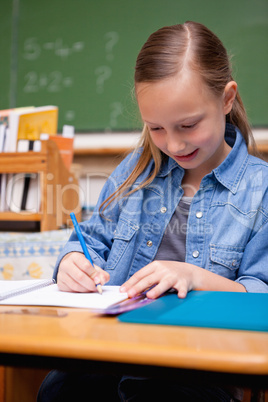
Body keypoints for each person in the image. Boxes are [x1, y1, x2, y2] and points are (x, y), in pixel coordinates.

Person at [38, 21, 268, 402]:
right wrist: (73, 259)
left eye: (188, 125)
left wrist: (194, 277)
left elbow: (261, 296)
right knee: (61, 388)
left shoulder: (260, 190)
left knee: (150, 389)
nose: (173, 143)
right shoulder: (134, 170)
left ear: (226, 99)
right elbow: (91, 240)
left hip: (203, 363)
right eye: (156, 127)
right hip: (112, 347)